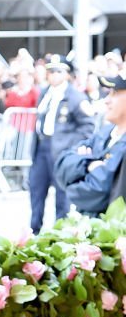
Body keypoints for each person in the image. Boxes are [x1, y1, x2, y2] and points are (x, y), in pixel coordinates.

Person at [28, 54, 94, 233]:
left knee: (62, 196)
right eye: (50, 71)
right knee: (36, 190)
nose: (53, 75)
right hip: (42, 147)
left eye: (58, 71)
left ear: (66, 74)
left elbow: (87, 127)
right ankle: (34, 230)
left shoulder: (75, 97)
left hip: (62, 151)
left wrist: (71, 148)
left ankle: (60, 233)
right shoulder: (45, 92)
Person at [55, 74, 126, 216]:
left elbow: (99, 192)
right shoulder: (105, 133)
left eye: (115, 93)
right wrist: (89, 164)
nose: (107, 100)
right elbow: (61, 165)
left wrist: (74, 180)